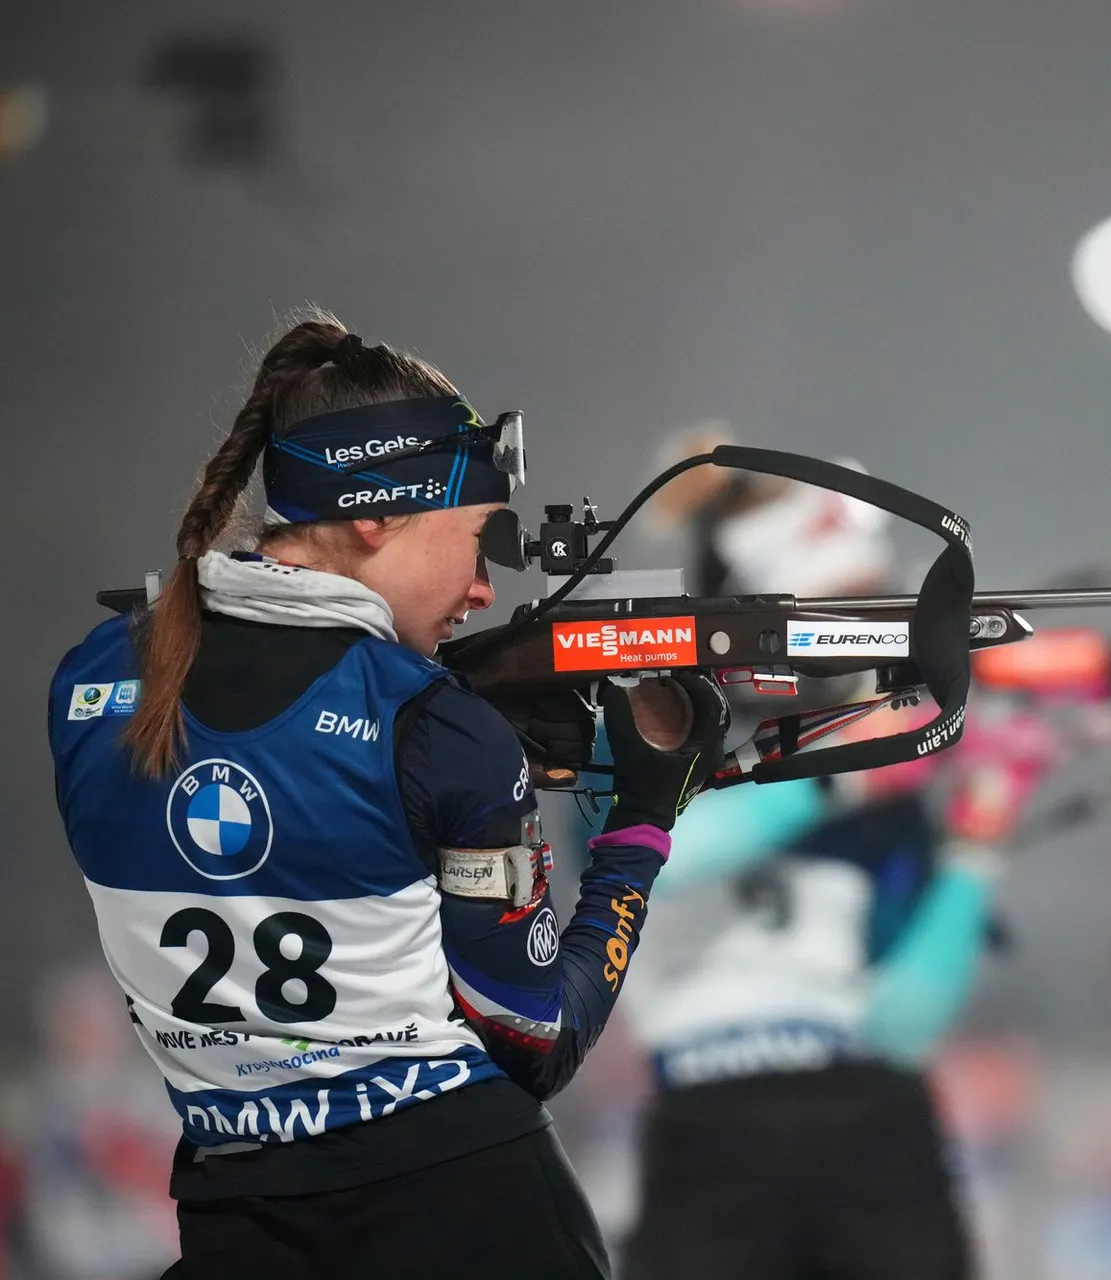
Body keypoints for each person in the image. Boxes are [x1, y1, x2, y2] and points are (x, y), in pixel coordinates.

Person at [47, 314, 726, 1278]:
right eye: (476, 538)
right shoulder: (435, 724)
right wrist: (642, 826)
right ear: (376, 515)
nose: (483, 589)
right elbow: (538, 1038)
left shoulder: (87, 684)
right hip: (466, 1212)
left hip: (236, 1209)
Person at [613, 453, 1044, 1280]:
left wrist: (977, 844)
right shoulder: (653, 723)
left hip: (868, 1123)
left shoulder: (884, 788)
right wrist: (848, 774)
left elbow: (904, 1027)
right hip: (712, 1129)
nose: (873, 650)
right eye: (844, 618)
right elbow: (660, 855)